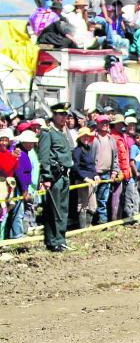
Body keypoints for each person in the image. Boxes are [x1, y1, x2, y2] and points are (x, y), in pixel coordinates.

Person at [37, 103, 74, 251]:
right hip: (54, 177)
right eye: (61, 114)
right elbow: (44, 157)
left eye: (65, 115)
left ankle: (60, 239)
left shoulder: (62, 132)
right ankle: (53, 241)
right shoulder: (48, 132)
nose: (64, 117)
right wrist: (46, 177)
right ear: (54, 115)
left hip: (64, 175)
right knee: (53, 210)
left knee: (63, 209)